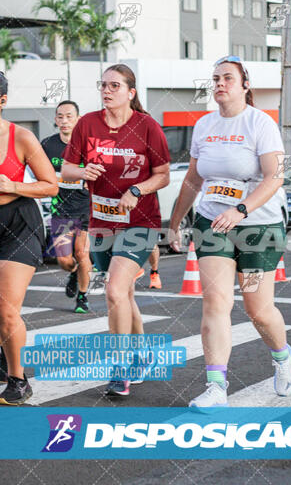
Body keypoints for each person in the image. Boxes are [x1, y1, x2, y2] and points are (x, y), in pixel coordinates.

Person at [169, 55, 291, 410]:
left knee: (258, 309)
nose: (220, 83)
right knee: (216, 302)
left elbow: (275, 177)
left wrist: (241, 209)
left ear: (244, 85)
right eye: (216, 78)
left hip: (258, 224)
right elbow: (194, 179)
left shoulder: (261, 123)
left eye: (227, 78)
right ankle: (215, 387)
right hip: (212, 221)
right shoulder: (205, 125)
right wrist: (176, 221)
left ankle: (282, 357)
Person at [61, 63, 170, 396]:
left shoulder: (147, 126)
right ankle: (142, 356)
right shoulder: (87, 124)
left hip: (139, 221)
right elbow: (66, 169)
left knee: (112, 291)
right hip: (101, 222)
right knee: (124, 294)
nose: (106, 91)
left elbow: (163, 174)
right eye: (103, 85)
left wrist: (136, 190)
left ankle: (120, 369)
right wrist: (84, 172)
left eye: (114, 86)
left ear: (130, 93)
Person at [0, 72, 58, 404]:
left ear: (2, 101)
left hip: (19, 224)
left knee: (7, 309)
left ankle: (19, 380)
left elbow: (50, 184)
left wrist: (13, 186)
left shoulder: (21, 137)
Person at [41, 101, 91, 313]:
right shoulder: (47, 145)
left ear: (78, 119)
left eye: (69, 116)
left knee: (81, 253)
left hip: (86, 207)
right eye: (60, 116)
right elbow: (38, 171)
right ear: (55, 119)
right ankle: (73, 273)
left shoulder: (88, 145)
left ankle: (82, 297)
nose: (64, 121)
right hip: (60, 209)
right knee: (63, 260)